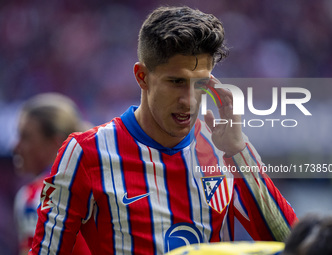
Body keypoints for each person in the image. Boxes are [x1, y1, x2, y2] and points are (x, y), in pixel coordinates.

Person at [29, 6, 297, 254]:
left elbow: (294, 243)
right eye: (176, 81)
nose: (189, 99)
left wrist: (239, 153)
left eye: (201, 83)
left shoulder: (223, 148)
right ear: (142, 77)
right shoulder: (86, 153)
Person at [13, 93, 92, 255]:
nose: (16, 146)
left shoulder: (35, 196)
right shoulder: (101, 183)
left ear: (56, 143)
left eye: (26, 137)